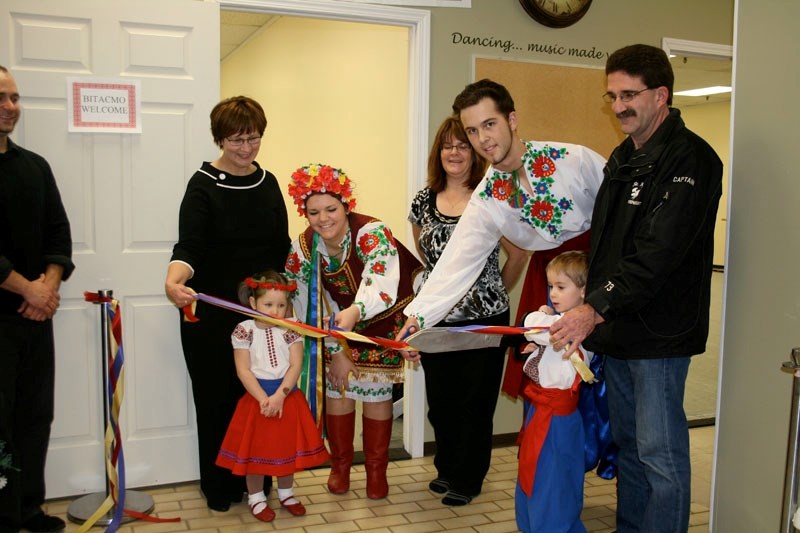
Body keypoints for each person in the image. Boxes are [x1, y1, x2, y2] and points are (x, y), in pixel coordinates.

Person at [550, 44, 723, 533]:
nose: (619, 105)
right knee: (628, 447)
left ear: (661, 95)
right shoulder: (623, 157)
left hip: (660, 337)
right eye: (612, 96)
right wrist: (590, 303)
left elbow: (657, 253)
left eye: (629, 94)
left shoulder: (692, 159)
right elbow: (608, 246)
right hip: (618, 329)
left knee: (660, 455)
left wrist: (593, 307)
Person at [398, 79, 605, 376]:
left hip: (602, 274)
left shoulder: (575, 160)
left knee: (609, 380)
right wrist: (418, 317)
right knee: (553, 384)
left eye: (490, 124)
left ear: (512, 119)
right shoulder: (487, 197)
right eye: (472, 130)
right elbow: (458, 262)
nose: (482, 138)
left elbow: (624, 216)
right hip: (550, 287)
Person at [164, 96, 289, 511]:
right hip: (212, 318)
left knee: (259, 402)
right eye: (237, 139)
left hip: (263, 319)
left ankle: (258, 486)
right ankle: (220, 487)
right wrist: (175, 277)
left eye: (253, 138)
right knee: (217, 402)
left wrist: (282, 306)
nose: (246, 148)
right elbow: (189, 246)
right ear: (219, 138)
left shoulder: (268, 183)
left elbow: (280, 249)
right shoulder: (203, 184)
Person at [408, 115, 528, 506]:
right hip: (437, 321)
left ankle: (468, 477)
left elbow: (520, 251)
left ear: (475, 152)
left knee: (475, 404)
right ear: (438, 152)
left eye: (463, 144)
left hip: (485, 320)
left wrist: (495, 291)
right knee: (442, 404)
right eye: (448, 145)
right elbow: (426, 258)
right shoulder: (424, 200)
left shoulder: (490, 197)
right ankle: (446, 468)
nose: (455, 152)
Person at [284, 163, 422, 500]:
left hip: (384, 317)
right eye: (313, 212)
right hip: (336, 325)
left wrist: (356, 313)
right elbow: (302, 302)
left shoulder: (371, 232)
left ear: (347, 205)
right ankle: (340, 467)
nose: (323, 219)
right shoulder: (303, 247)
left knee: (375, 393)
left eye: (331, 209)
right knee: (339, 389)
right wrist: (336, 348)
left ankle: (377, 470)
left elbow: (380, 282)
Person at [0, 66, 74, 533]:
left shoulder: (34, 166)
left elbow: (58, 234)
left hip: (34, 319)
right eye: (1, 98)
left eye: (14, 97)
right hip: (5, 313)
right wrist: (28, 288)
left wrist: (46, 286)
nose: (10, 106)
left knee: (34, 415)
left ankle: (27, 509)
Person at [215, 271, 329, 522]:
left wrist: (280, 395)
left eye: (281, 305)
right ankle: (256, 498)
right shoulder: (243, 330)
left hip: (287, 397)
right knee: (255, 453)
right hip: (257, 400)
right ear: (254, 303)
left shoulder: (291, 329)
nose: (276, 311)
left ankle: (287, 493)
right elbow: (243, 370)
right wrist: (263, 399)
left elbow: (295, 366)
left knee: (285, 450)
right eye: (268, 305)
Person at [515, 251, 591, 533]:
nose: (553, 294)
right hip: (542, 411)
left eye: (561, 287)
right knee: (536, 477)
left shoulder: (577, 327)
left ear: (583, 291)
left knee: (553, 482)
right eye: (551, 287)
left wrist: (540, 315)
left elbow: (534, 327)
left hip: (557, 420)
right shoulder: (562, 322)